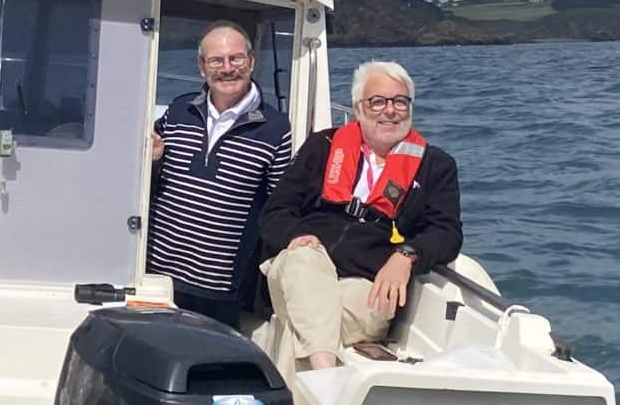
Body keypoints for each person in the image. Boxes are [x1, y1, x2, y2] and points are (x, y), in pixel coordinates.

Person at [258, 60, 462, 373]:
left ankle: (317, 381)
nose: (389, 111)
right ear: (358, 108)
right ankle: (327, 376)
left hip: (369, 285)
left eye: (400, 101)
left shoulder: (436, 166)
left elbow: (446, 233)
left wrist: (407, 255)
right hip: (302, 266)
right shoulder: (322, 147)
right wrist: (296, 235)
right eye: (377, 101)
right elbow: (275, 212)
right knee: (304, 261)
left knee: (304, 326)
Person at [145, 22, 292, 326]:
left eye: (236, 58)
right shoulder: (178, 110)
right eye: (216, 60)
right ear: (202, 67)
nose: (227, 69)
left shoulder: (277, 128)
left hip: (219, 286)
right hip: (156, 273)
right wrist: (154, 160)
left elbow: (278, 204)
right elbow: (145, 179)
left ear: (251, 61)